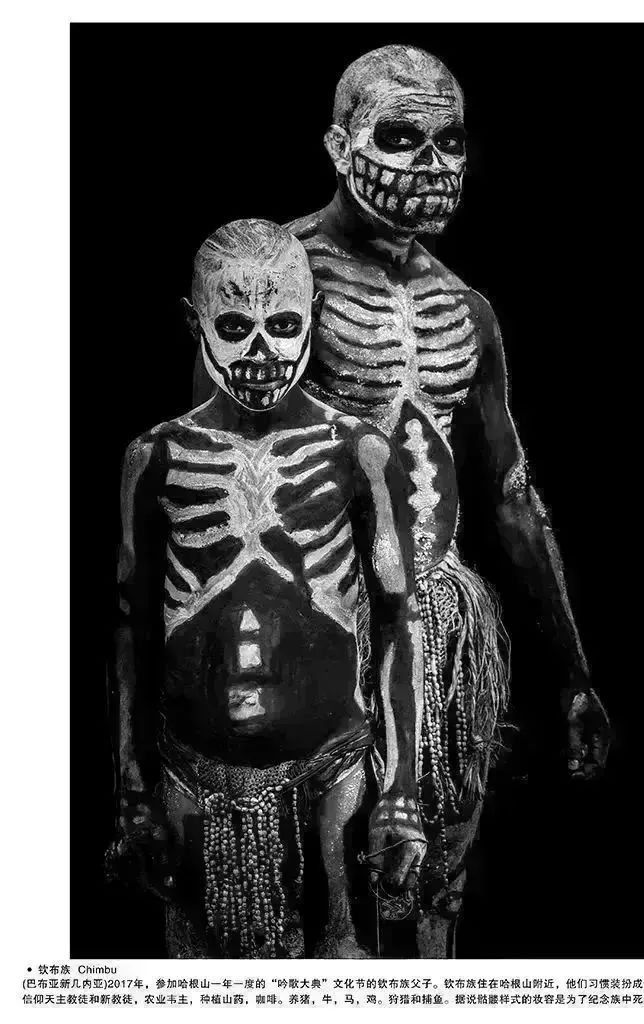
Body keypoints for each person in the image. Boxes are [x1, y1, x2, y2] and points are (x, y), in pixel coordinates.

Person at [193, 45, 611, 959]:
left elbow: (511, 494)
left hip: (443, 624)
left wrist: (572, 673)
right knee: (313, 904)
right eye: (399, 137)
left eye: (450, 141)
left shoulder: (468, 308)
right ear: (339, 146)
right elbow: (215, 461)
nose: (431, 164)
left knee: (432, 892)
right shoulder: (274, 284)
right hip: (313, 623)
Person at [111, 218, 426, 958]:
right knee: (200, 986)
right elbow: (129, 627)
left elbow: (397, 616)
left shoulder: (359, 450)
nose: (261, 354)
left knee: (347, 973)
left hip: (334, 771)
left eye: (283, 326)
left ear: (314, 317)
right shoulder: (155, 457)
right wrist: (130, 783)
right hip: (192, 774)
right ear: (193, 323)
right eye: (234, 327)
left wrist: (402, 786)